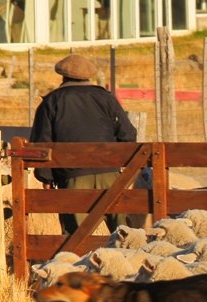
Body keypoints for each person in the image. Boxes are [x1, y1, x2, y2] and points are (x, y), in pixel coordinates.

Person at [29, 54, 137, 235]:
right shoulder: (106, 98)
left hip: (73, 176)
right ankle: (127, 262)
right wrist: (118, 162)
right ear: (88, 76)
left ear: (62, 76)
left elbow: (42, 142)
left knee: (77, 238)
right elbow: (128, 134)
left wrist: (46, 176)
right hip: (109, 175)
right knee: (123, 234)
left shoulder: (52, 101)